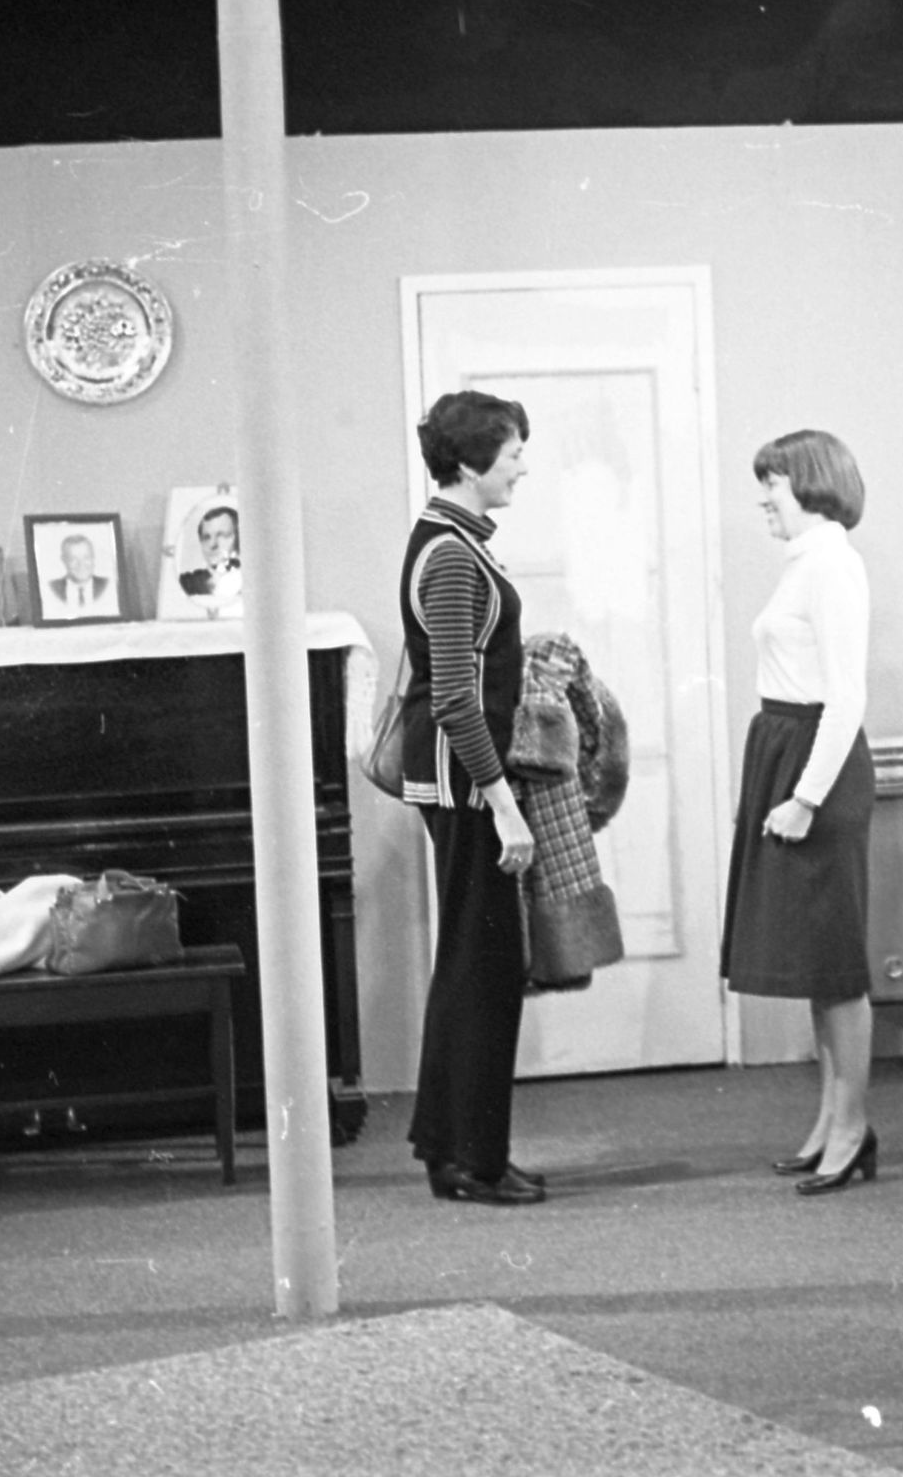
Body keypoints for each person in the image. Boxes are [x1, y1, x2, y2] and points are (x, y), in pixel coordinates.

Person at [720, 429, 879, 1196]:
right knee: (817, 963)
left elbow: (845, 697)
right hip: (786, 752)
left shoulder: (832, 566)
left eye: (773, 485)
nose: (763, 500)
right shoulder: (804, 563)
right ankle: (828, 1120)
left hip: (817, 765)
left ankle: (852, 1127)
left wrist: (806, 796)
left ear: (811, 486)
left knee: (836, 963)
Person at [400, 389, 545, 1207]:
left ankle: (455, 1147)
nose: (522, 465)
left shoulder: (453, 539)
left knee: (474, 962)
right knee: (483, 966)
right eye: (513, 451)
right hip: (466, 788)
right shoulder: (453, 554)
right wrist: (504, 803)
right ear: (468, 462)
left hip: (462, 782)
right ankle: (467, 1160)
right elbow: (456, 697)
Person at [178, 505, 243, 600]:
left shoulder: (255, 582)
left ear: (239, 538)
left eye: (222, 535)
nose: (213, 544)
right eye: (206, 537)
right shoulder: (186, 584)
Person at [46, 533, 112, 617]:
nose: (81, 564)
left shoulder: (108, 586)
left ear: (93, 557)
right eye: (73, 559)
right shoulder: (51, 588)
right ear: (63, 560)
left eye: (86, 557)